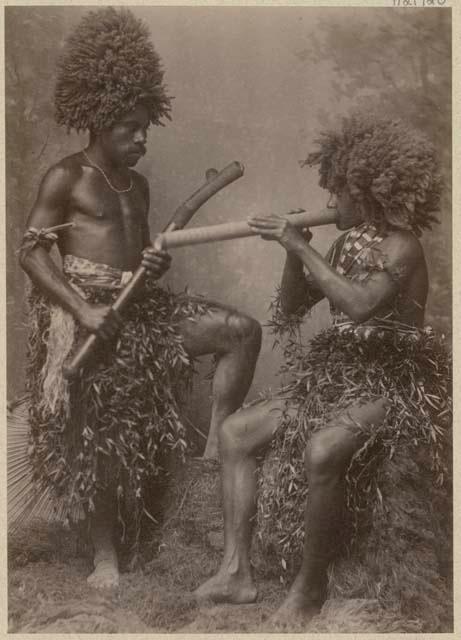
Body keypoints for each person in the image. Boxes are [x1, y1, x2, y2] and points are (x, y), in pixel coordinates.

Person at [19, 7, 261, 590]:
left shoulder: (140, 184)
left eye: (147, 127)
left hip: (137, 311)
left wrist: (153, 265)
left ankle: (213, 452)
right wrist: (82, 311)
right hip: (84, 319)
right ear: (99, 120)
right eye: (132, 128)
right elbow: (29, 254)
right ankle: (105, 556)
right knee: (99, 423)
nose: (142, 138)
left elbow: (134, 262)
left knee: (241, 330)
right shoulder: (65, 177)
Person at [194, 114, 450, 627]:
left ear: (367, 190)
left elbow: (358, 305)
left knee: (323, 448)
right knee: (237, 430)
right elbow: (291, 308)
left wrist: (298, 244)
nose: (330, 202)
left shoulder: (402, 245)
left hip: (393, 380)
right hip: (338, 372)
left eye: (337, 192)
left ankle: (309, 590)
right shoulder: (343, 242)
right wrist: (297, 252)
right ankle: (236, 572)